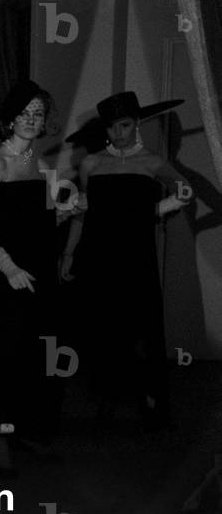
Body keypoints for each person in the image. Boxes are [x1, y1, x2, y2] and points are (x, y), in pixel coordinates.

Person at [62, 91, 191, 430]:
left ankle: (151, 398)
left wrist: (157, 210)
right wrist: (69, 253)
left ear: (137, 125)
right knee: (104, 328)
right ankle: (107, 397)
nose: (118, 133)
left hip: (137, 254)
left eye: (125, 125)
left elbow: (185, 191)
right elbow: (83, 213)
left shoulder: (152, 162)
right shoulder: (91, 163)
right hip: (99, 255)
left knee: (145, 327)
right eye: (112, 127)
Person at [0, 79, 62, 474]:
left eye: (37, 114)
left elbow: (38, 226)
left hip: (39, 275)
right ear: (10, 119)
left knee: (34, 358)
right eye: (24, 113)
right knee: (6, 356)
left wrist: (66, 211)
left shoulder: (40, 164)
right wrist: (8, 268)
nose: (30, 120)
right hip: (6, 277)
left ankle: (23, 430)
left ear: (44, 122)